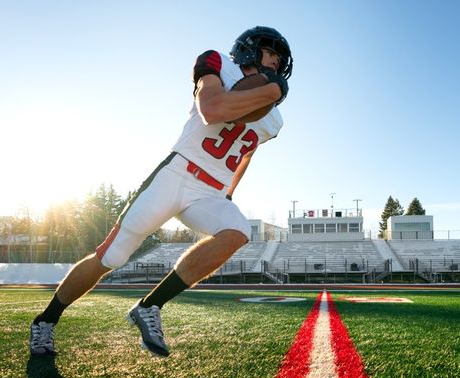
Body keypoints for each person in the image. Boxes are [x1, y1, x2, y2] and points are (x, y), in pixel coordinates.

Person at [29, 26, 293, 358]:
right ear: (250, 49)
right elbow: (211, 110)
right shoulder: (217, 63)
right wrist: (268, 94)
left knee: (238, 232)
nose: (276, 62)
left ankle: (150, 306)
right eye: (271, 52)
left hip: (209, 191)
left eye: (280, 59)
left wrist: (229, 191)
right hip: (177, 174)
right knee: (111, 257)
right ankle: (45, 321)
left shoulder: (274, 121)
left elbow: (247, 154)